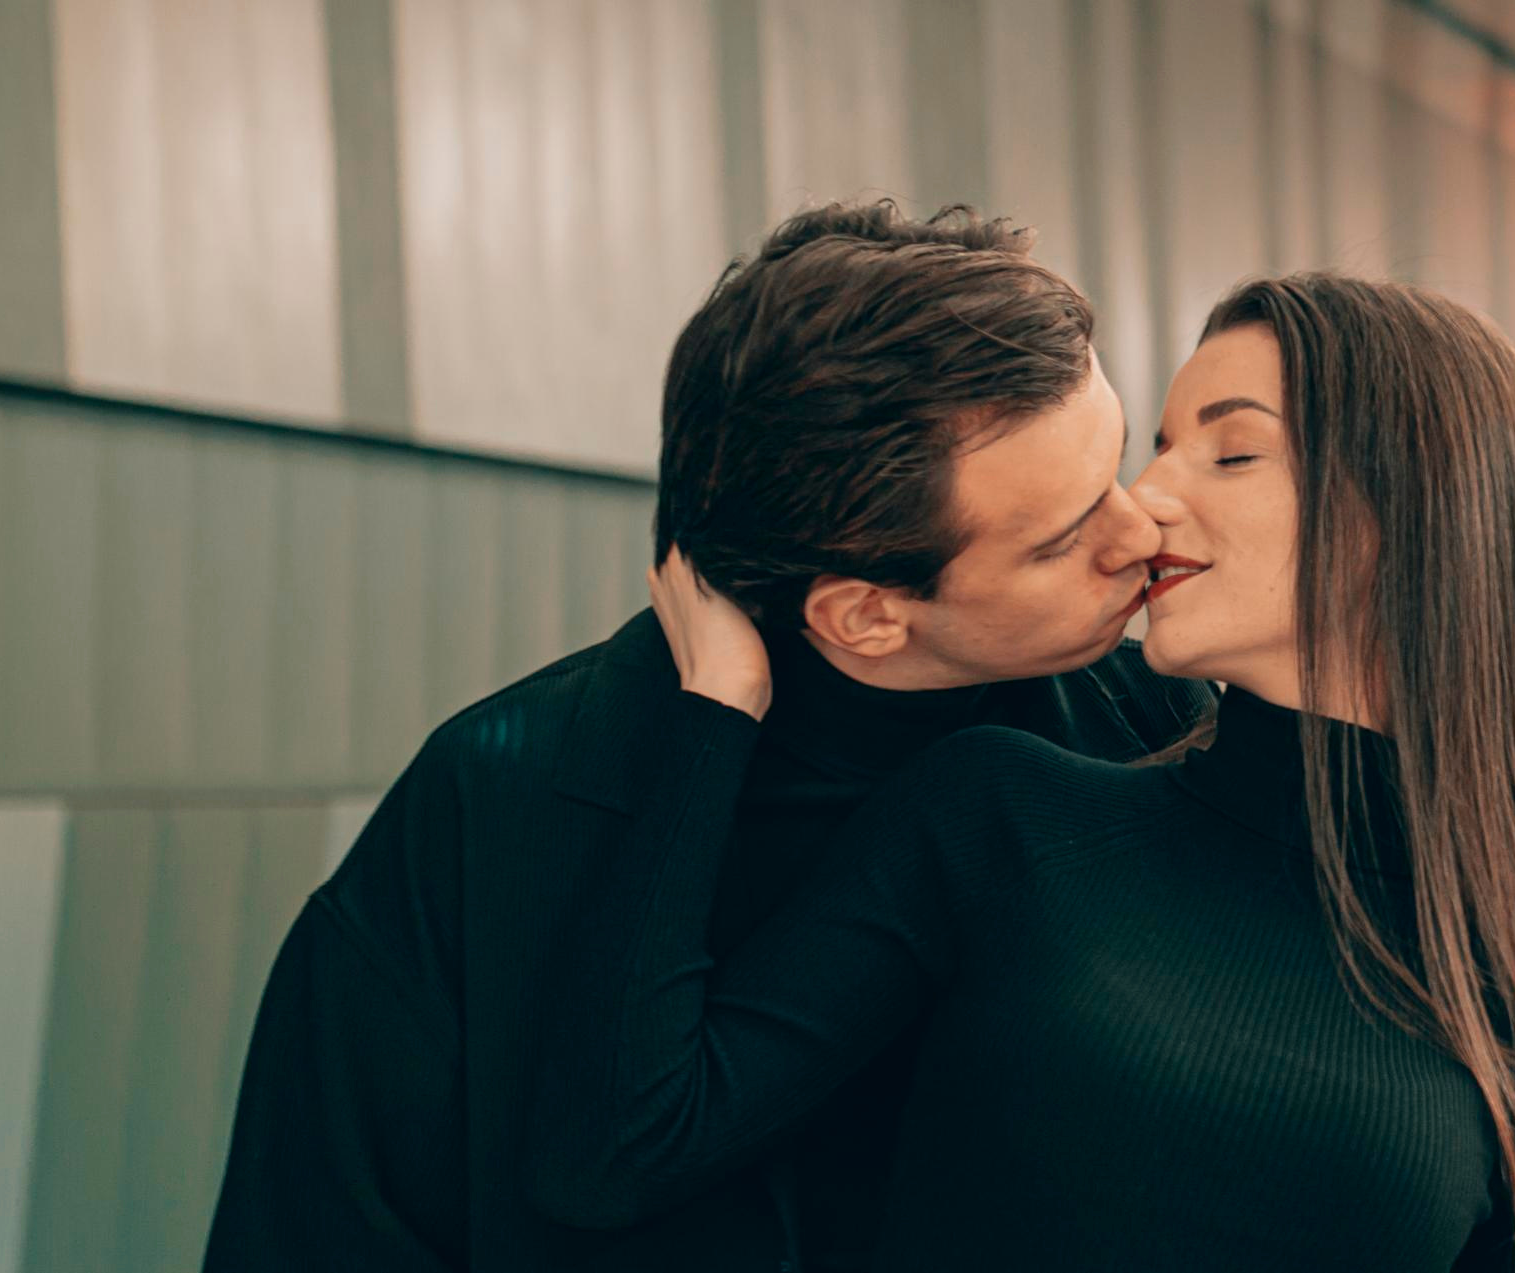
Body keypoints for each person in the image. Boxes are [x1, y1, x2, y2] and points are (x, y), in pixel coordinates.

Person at [522, 274, 1515, 1271]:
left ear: (1408, 511)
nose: (1149, 500)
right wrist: (712, 715)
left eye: (1231, 450)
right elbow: (615, 1147)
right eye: (1156, 447)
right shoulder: (1001, 817)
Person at [203, 202, 1212, 1273]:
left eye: (1112, 470)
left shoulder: (1152, 730)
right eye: (1065, 537)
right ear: (863, 613)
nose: (1141, 532)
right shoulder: (493, 807)